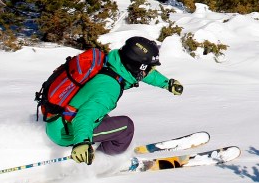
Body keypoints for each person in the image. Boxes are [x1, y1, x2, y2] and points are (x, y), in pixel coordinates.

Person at [45, 36, 184, 165]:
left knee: (107, 119)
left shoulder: (112, 63)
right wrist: (82, 143)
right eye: (148, 68)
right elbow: (84, 116)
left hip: (60, 119)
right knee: (126, 127)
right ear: (137, 67)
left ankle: (97, 145)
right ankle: (104, 160)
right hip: (65, 133)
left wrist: (167, 83)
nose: (150, 71)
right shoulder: (109, 89)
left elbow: (142, 73)